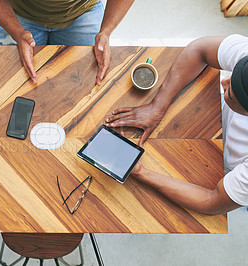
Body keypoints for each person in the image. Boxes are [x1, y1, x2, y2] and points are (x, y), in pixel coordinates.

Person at [105, 34, 248, 215]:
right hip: (216, 124)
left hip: (231, 171)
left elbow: (213, 201)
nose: (223, 81)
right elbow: (199, 49)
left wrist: (141, 172)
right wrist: (157, 106)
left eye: (231, 92)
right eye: (232, 76)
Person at [0, 0, 134, 85]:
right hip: (16, 13)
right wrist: (16, 32)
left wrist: (105, 31)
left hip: (83, 13)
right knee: (5, 85)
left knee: (86, 86)